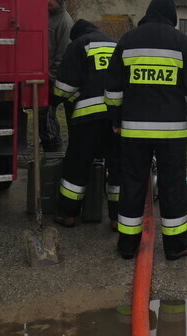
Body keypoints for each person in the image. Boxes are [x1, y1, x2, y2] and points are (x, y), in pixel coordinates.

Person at [105, 0, 187, 261]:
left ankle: (127, 245)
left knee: (132, 184)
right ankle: (175, 245)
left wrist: (116, 120)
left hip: (133, 131)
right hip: (171, 133)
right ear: (172, 17)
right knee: (173, 185)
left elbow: (113, 90)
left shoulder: (127, 41)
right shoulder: (183, 43)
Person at [52, 19, 120, 228]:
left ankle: (69, 214)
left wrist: (57, 99)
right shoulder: (115, 44)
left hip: (88, 118)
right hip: (117, 117)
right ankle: (117, 218)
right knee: (118, 167)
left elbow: (64, 87)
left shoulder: (79, 44)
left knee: (77, 164)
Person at [41, 0, 74, 152]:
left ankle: (53, 149)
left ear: (60, 2)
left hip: (52, 79)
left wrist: (52, 78)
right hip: (41, 75)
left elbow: (63, 56)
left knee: (47, 114)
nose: (48, 1)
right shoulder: (45, 15)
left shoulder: (65, 22)